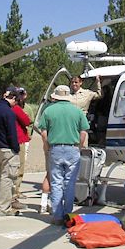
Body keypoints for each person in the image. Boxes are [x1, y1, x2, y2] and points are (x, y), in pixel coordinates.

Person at [38, 85, 89, 225]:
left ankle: (57, 215)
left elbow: (43, 133)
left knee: (56, 182)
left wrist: (47, 146)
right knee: (70, 183)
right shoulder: (77, 111)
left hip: (55, 148)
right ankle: (68, 213)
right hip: (72, 149)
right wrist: (78, 146)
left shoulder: (48, 111)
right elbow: (83, 131)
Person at [0, 88, 21, 216]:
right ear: (13, 98)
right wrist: (16, 148)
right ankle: (4, 208)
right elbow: (12, 133)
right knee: (8, 179)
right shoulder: (9, 113)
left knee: (0, 177)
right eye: (16, 101)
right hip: (8, 148)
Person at [12, 87, 31, 208]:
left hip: (14, 140)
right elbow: (27, 120)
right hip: (19, 140)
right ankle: (14, 195)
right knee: (19, 167)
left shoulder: (7, 108)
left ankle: (14, 191)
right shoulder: (16, 108)